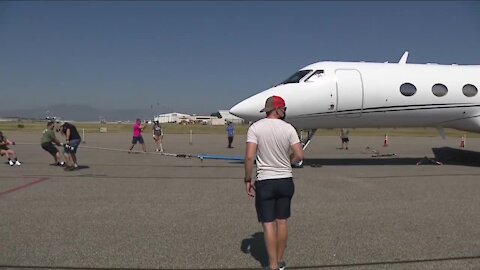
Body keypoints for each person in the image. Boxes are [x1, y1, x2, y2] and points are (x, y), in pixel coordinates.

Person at [244, 95, 304, 270]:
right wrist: (288, 162)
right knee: (282, 221)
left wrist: (248, 179)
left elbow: (249, 157)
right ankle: (279, 261)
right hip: (285, 180)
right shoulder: (289, 129)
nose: (285, 111)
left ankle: (271, 265)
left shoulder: (255, 128)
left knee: (268, 224)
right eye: (284, 108)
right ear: (278, 109)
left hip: (265, 181)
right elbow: (300, 155)